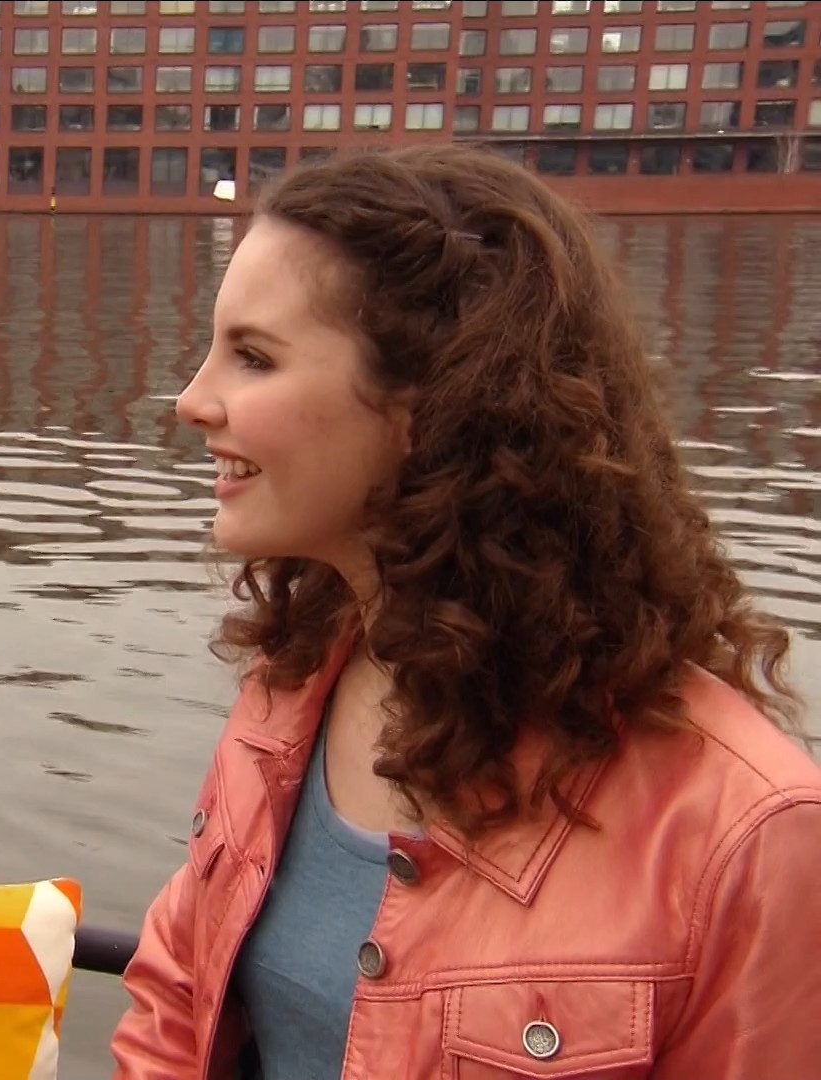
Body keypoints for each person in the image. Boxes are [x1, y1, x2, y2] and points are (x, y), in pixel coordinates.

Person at [111, 144, 821, 1079]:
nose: (191, 400)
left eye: (252, 357)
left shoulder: (745, 834)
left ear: (433, 404)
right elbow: (177, 990)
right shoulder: (294, 684)